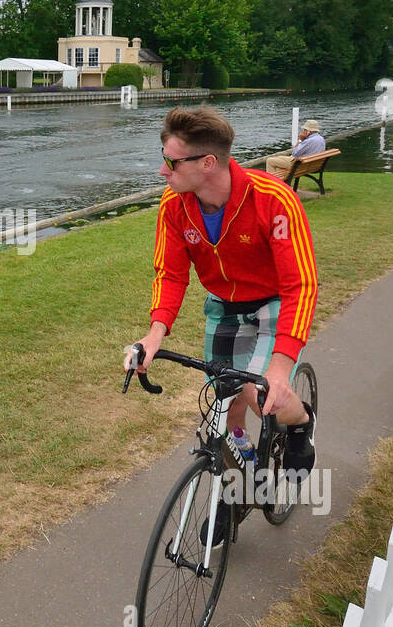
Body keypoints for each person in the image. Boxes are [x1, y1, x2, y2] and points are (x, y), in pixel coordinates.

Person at [129, 107, 318, 545]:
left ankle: (301, 421)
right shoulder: (175, 205)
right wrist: (155, 333)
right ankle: (236, 496)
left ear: (207, 163)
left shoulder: (274, 201)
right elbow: (171, 274)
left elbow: (300, 284)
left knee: (260, 393)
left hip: (272, 302)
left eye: (172, 162)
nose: (162, 170)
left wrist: (281, 364)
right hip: (224, 305)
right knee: (223, 412)